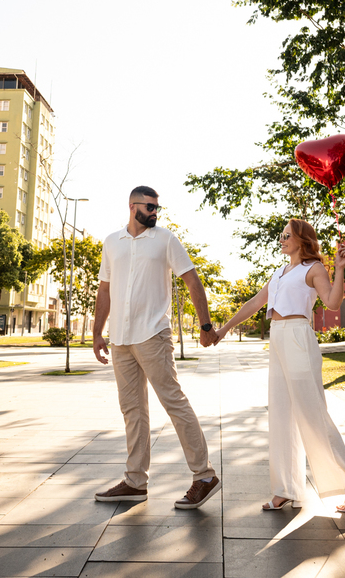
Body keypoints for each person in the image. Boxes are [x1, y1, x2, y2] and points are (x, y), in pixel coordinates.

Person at [215, 218, 345, 514]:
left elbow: (333, 303)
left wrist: (339, 269)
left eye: (286, 235)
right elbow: (254, 303)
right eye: (281, 235)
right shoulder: (279, 272)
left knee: (313, 414)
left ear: (302, 239)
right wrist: (224, 329)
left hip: (299, 338)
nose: (281, 239)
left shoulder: (312, 269)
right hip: (278, 339)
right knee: (281, 415)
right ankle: (285, 489)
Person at [91, 186, 222, 509]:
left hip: (153, 335)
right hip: (120, 340)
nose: (154, 213)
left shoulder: (165, 239)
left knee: (174, 402)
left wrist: (206, 326)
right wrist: (97, 333)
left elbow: (193, 281)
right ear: (132, 205)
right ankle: (135, 481)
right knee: (133, 411)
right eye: (150, 207)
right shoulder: (111, 242)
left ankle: (204, 475)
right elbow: (104, 291)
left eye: (157, 208)